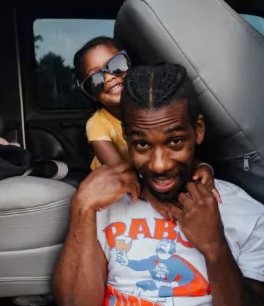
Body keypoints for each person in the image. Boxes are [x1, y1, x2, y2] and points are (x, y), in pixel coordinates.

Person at [50, 63, 264, 306]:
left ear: (197, 131)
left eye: (174, 142)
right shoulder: (106, 206)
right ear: (127, 139)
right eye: (142, 145)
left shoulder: (248, 216)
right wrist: (82, 208)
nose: (158, 164)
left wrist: (214, 246)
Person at [73, 37, 220, 202]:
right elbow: (122, 172)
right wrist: (156, 203)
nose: (108, 78)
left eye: (116, 65)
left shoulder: (157, 113)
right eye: (96, 79)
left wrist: (201, 167)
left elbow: (174, 156)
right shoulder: (97, 124)